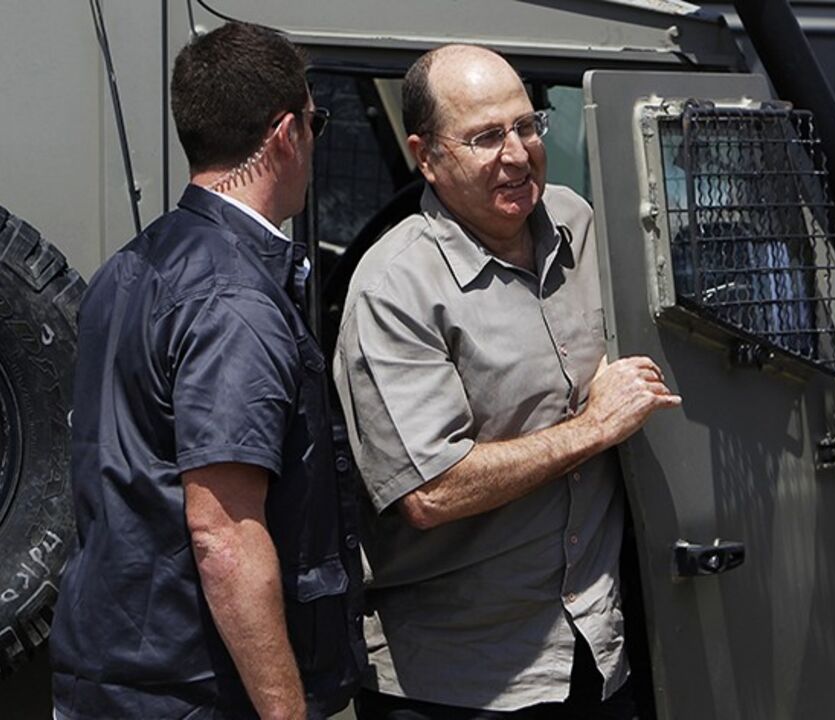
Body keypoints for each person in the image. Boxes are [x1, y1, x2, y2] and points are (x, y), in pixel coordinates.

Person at [332, 44, 681, 719]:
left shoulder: (580, 222)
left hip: (596, 654)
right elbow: (430, 490)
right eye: (486, 137)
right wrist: (592, 429)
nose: (518, 155)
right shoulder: (394, 287)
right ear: (425, 156)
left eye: (526, 126)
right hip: (461, 679)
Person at [49, 22, 363, 720]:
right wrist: (286, 712)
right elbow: (222, 532)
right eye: (319, 121)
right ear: (287, 134)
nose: (316, 139)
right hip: (193, 689)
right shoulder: (234, 300)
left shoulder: (129, 267)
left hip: (112, 673)